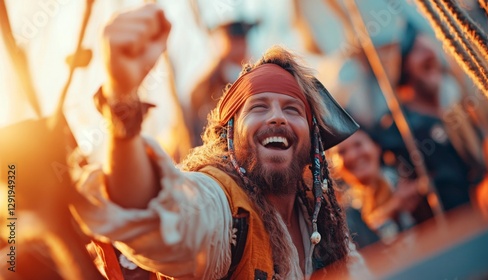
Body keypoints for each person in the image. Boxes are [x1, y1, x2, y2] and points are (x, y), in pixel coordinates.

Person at [72, 4, 365, 279]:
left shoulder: (323, 223)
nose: (277, 118)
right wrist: (122, 97)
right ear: (230, 135)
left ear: (313, 141)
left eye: (292, 109)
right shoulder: (224, 212)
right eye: (258, 107)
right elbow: (156, 213)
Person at [372, 23, 486, 213]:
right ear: (403, 69)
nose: (430, 53)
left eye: (430, 46)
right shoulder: (393, 131)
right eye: (417, 50)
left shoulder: (462, 116)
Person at [330, 129, 421, 247]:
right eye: (342, 152)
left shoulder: (408, 177)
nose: (352, 156)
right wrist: (394, 205)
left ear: (376, 147)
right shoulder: (344, 213)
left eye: (358, 145)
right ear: (334, 166)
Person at [187, 20, 256, 147]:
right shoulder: (204, 90)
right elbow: (195, 133)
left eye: (242, 40)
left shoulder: (257, 80)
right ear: (223, 42)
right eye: (234, 41)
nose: (240, 46)